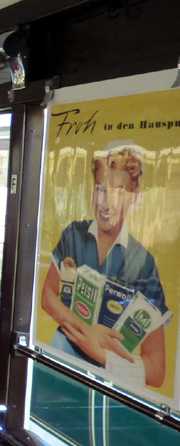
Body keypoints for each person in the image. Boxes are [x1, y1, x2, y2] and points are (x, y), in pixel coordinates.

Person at [40, 143, 167, 387]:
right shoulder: (73, 234)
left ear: (135, 195)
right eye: (100, 189)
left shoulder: (144, 264)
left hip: (105, 388)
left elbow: (157, 370)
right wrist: (89, 330)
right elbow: (48, 296)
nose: (107, 204)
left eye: (119, 193)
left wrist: (100, 353)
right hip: (56, 368)